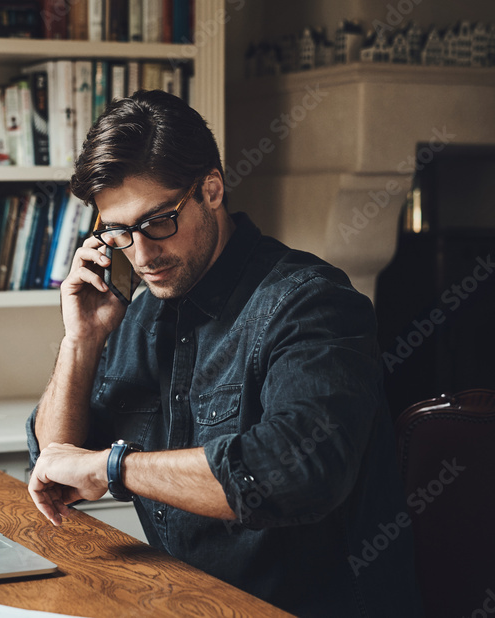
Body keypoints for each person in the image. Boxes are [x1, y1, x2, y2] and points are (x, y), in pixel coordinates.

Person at [25, 90, 422, 617]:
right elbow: (55, 463)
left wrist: (114, 468)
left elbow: (297, 472)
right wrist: (82, 340)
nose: (142, 256)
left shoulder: (312, 303)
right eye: (120, 233)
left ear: (211, 189)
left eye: (158, 221)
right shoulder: (136, 314)